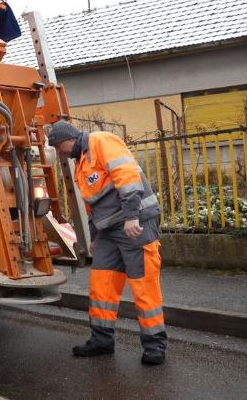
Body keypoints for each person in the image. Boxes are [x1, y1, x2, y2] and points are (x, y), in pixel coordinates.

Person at [48, 120, 167, 365]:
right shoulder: (81, 161)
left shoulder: (101, 141)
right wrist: (94, 237)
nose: (59, 152)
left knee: (143, 286)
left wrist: (132, 216)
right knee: (101, 285)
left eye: (59, 147)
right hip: (109, 231)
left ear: (68, 139)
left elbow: (127, 177)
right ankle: (102, 340)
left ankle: (155, 346)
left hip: (136, 224)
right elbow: (94, 204)